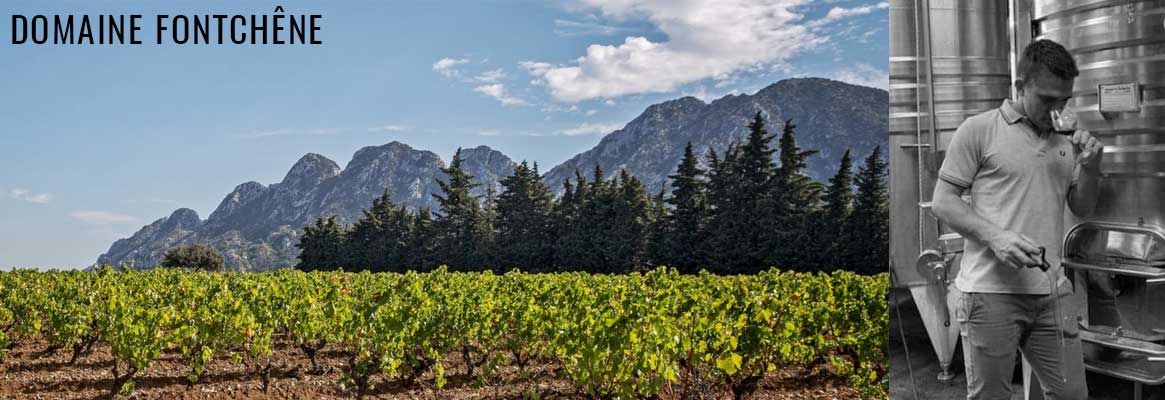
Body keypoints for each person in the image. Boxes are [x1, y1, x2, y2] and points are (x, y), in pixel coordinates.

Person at [931, 38, 1104, 399]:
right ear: (1020, 86)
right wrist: (997, 237)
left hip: (1052, 292)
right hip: (990, 294)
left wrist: (1092, 167)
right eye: (1047, 99)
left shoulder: (1068, 140)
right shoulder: (978, 130)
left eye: (1065, 100)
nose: (1058, 110)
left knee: (1072, 395)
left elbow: (1082, 207)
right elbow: (943, 203)